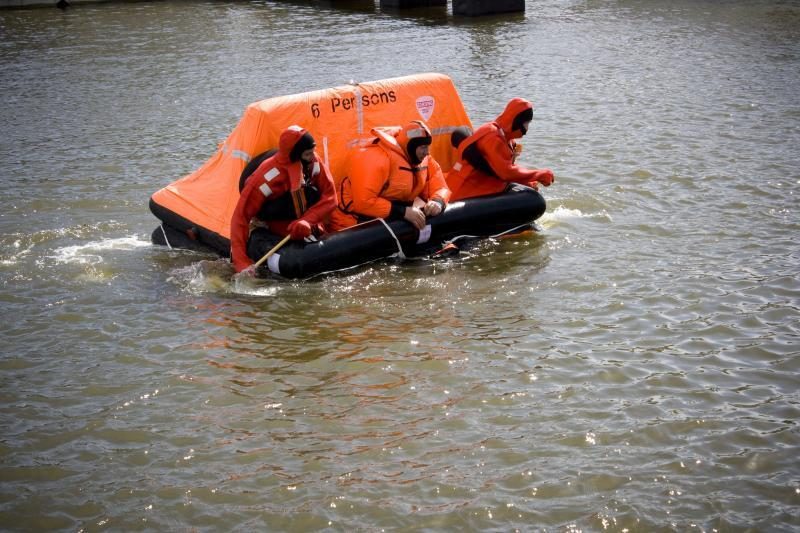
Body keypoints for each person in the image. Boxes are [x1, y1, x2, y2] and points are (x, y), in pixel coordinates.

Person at [230, 125, 336, 274]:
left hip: (305, 222)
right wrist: (240, 261)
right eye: (307, 154)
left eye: (312, 152)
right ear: (295, 155)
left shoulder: (314, 162)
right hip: (273, 222)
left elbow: (331, 197)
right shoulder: (264, 177)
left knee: (312, 193)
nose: (312, 157)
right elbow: (240, 217)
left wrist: (308, 220)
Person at [329, 120, 451, 232]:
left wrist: (438, 201)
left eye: (427, 147)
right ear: (411, 146)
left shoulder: (424, 160)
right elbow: (363, 202)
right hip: (350, 221)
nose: (427, 152)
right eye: (423, 147)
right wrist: (402, 212)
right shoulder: (376, 159)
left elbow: (440, 186)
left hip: (392, 217)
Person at [446, 98, 555, 201]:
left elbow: (504, 169)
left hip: (479, 188)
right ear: (516, 121)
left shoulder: (507, 139)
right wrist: (539, 174)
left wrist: (529, 182)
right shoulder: (492, 136)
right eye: (526, 123)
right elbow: (505, 172)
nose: (527, 128)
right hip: (462, 191)